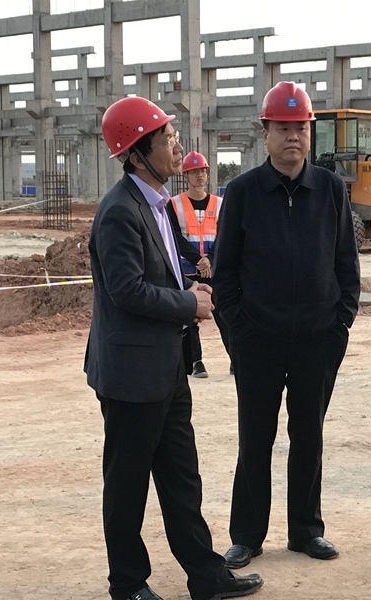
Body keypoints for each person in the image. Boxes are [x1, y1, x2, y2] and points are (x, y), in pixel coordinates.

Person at [84, 96, 263, 600]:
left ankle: (206, 577)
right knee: (128, 485)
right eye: (167, 138)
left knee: (182, 478)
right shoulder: (119, 212)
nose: (178, 147)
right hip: (131, 374)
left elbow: (161, 269)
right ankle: (128, 585)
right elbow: (126, 290)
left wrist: (191, 283)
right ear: (136, 153)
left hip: (165, 367)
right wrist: (189, 304)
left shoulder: (157, 203)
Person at [213, 81, 360, 568]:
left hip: (317, 338)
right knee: (255, 437)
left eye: (300, 128)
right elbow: (224, 272)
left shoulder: (331, 190)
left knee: (309, 436)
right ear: (266, 133)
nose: (293, 136)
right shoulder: (242, 192)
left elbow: (346, 264)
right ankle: (247, 534)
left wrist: (339, 326)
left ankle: (306, 530)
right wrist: (239, 332)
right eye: (283, 128)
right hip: (258, 338)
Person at [167, 151, 230, 378]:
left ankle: (236, 358)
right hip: (187, 271)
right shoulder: (173, 204)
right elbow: (174, 237)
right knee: (190, 318)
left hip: (213, 269)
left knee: (225, 315)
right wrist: (198, 260)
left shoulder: (220, 204)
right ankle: (196, 362)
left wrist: (209, 259)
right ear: (186, 176)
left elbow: (224, 235)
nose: (200, 175)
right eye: (194, 172)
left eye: (202, 171)